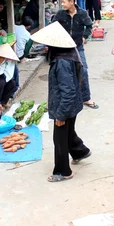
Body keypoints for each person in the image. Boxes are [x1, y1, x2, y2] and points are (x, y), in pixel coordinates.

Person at [31, 22, 91, 182]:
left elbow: (68, 90)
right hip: (72, 104)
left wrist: (61, 115)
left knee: (59, 139)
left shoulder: (62, 62)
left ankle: (63, 171)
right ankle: (80, 151)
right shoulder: (67, 55)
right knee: (68, 133)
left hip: (66, 106)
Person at [52, 0, 98, 109]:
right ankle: (58, 99)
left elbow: (89, 25)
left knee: (83, 70)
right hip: (63, 48)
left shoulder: (82, 13)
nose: (62, 5)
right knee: (59, 73)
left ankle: (86, 98)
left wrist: (84, 36)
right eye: (61, 2)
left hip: (77, 47)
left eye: (64, 2)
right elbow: (53, 27)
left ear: (72, 2)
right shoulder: (60, 14)